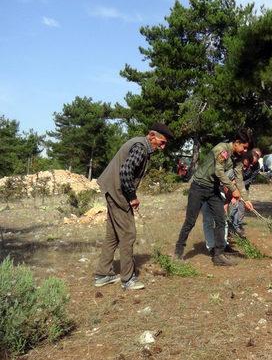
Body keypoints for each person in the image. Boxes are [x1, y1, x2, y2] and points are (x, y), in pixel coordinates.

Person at [93, 123, 173, 290]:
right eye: (162, 142)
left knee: (113, 235)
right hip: (117, 192)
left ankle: (103, 275)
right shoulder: (141, 147)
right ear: (152, 135)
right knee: (128, 235)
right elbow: (125, 171)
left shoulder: (141, 145)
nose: (163, 147)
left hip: (112, 188)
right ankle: (128, 279)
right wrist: (132, 197)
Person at [174, 129, 254, 266]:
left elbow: (239, 179)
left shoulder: (238, 158)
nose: (244, 151)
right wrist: (233, 189)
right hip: (198, 187)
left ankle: (218, 255)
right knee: (190, 221)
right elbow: (218, 171)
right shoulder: (222, 149)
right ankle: (178, 252)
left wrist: (246, 199)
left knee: (221, 219)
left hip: (213, 189)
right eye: (244, 147)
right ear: (236, 143)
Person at [201, 148, 262, 253]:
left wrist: (243, 200)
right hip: (206, 188)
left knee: (223, 220)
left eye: (250, 165)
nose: (248, 167)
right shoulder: (230, 163)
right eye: (247, 164)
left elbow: (237, 185)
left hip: (220, 191)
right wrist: (230, 197)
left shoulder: (241, 169)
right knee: (208, 220)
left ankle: (224, 245)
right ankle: (211, 247)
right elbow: (224, 185)